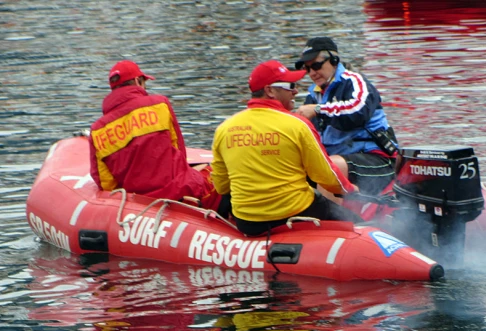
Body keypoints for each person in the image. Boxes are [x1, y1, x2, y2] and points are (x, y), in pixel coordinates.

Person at [210, 60, 360, 237]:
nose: (295, 91)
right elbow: (326, 175)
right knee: (357, 224)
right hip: (294, 212)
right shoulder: (297, 125)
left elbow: (221, 185)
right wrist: (351, 191)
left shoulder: (224, 129)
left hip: (248, 222)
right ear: (270, 90)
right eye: (290, 86)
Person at [88, 60, 224, 213]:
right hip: (179, 192)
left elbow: (106, 184)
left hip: (137, 204)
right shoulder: (159, 104)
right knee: (222, 176)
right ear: (137, 81)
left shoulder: (97, 130)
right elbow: (179, 152)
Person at [294, 37, 400, 196]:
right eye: (308, 69)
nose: (312, 73)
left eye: (316, 65)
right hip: (341, 160)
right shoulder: (314, 95)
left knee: (330, 166)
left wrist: (318, 109)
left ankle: (333, 218)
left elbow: (358, 112)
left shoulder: (355, 81)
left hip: (378, 159)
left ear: (334, 61)